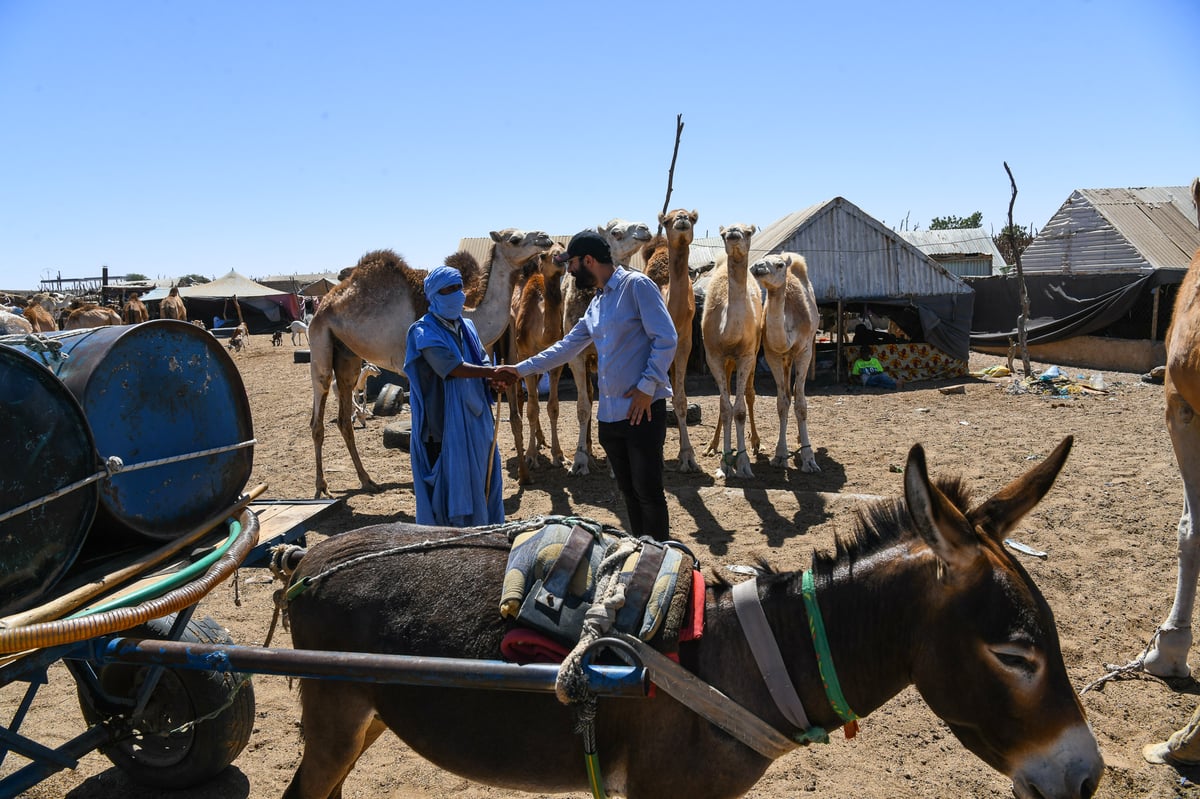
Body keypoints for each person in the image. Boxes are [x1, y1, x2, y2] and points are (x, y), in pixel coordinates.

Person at [497, 230, 677, 541]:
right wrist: (518, 369)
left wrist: (648, 387)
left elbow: (667, 338)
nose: (568, 270)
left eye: (572, 264)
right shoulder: (598, 303)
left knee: (649, 492)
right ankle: (642, 550)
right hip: (610, 418)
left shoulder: (637, 286)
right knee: (629, 494)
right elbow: (566, 348)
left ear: (589, 260)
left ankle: (661, 559)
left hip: (642, 411)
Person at [404, 265, 510, 527]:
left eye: (457, 288)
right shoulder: (423, 331)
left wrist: (494, 380)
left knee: (483, 483)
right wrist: (492, 372)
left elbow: (482, 362)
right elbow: (451, 368)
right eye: (447, 290)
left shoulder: (469, 327)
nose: (455, 295)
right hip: (441, 427)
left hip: (477, 422)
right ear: (433, 296)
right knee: (449, 493)